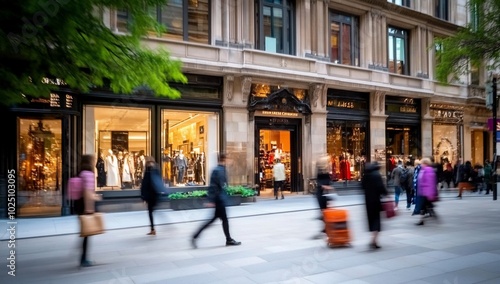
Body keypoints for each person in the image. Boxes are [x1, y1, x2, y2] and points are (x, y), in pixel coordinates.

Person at [191, 153, 241, 248]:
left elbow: (215, 186)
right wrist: (212, 200)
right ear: (223, 159)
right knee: (223, 220)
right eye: (228, 159)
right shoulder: (219, 170)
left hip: (219, 199)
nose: (230, 161)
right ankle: (228, 240)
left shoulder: (219, 170)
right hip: (219, 200)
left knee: (215, 220)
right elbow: (215, 187)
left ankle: (196, 236)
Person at [74, 154, 97, 267]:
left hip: (78, 206)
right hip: (85, 207)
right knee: (87, 233)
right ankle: (84, 259)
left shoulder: (81, 173)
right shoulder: (89, 174)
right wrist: (90, 209)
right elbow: (88, 193)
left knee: (85, 233)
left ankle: (82, 255)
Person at [361, 162, 388, 250]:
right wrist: (386, 194)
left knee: (371, 220)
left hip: (367, 201)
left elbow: (362, 186)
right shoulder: (377, 175)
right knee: (376, 221)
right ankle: (373, 241)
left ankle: (374, 241)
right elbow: (381, 188)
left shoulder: (366, 175)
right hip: (376, 200)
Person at [140, 156, 161, 236]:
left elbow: (145, 184)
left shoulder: (148, 171)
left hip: (150, 195)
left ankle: (152, 229)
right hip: (155, 194)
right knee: (152, 211)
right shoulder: (156, 169)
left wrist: (143, 196)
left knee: (151, 212)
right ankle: (152, 229)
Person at [415, 158, 439, 226]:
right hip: (424, 191)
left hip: (426, 192)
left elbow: (430, 182)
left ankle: (422, 220)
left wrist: (429, 193)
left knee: (423, 206)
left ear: (425, 163)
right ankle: (430, 216)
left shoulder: (428, 170)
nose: (421, 164)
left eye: (422, 163)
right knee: (427, 206)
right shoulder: (424, 169)